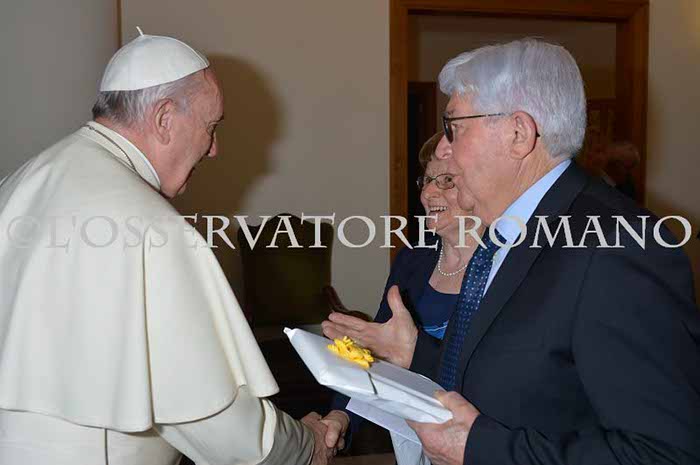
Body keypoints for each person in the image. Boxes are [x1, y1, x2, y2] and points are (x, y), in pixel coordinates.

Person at [327, 39, 700, 465]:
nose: (444, 149)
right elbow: (524, 376)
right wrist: (416, 353)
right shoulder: (503, 233)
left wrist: (478, 448)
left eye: (454, 127)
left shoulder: (616, 247)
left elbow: (666, 453)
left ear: (518, 134)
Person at [0, 30, 347, 465]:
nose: (214, 149)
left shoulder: (20, 182)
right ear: (165, 118)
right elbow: (212, 417)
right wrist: (306, 445)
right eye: (211, 127)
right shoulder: (151, 226)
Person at [322, 131, 482, 455]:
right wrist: (342, 416)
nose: (428, 193)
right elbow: (374, 355)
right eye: (427, 180)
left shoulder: (505, 268)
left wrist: (413, 351)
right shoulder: (412, 261)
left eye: (447, 180)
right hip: (413, 447)